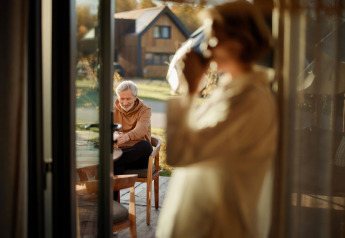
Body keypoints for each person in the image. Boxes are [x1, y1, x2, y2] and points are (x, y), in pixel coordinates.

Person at [156, 1, 278, 238]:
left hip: (218, 225)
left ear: (240, 41)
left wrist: (190, 90)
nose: (207, 49)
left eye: (214, 39)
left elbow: (181, 153)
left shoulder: (250, 101)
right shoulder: (230, 90)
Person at [113, 80, 152, 176]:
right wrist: (114, 135)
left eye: (128, 99)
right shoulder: (113, 111)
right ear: (118, 97)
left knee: (145, 146)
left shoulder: (145, 110)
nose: (125, 102)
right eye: (122, 99)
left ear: (135, 97)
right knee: (115, 166)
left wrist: (126, 137)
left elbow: (141, 130)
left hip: (139, 156)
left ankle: (111, 161)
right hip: (120, 153)